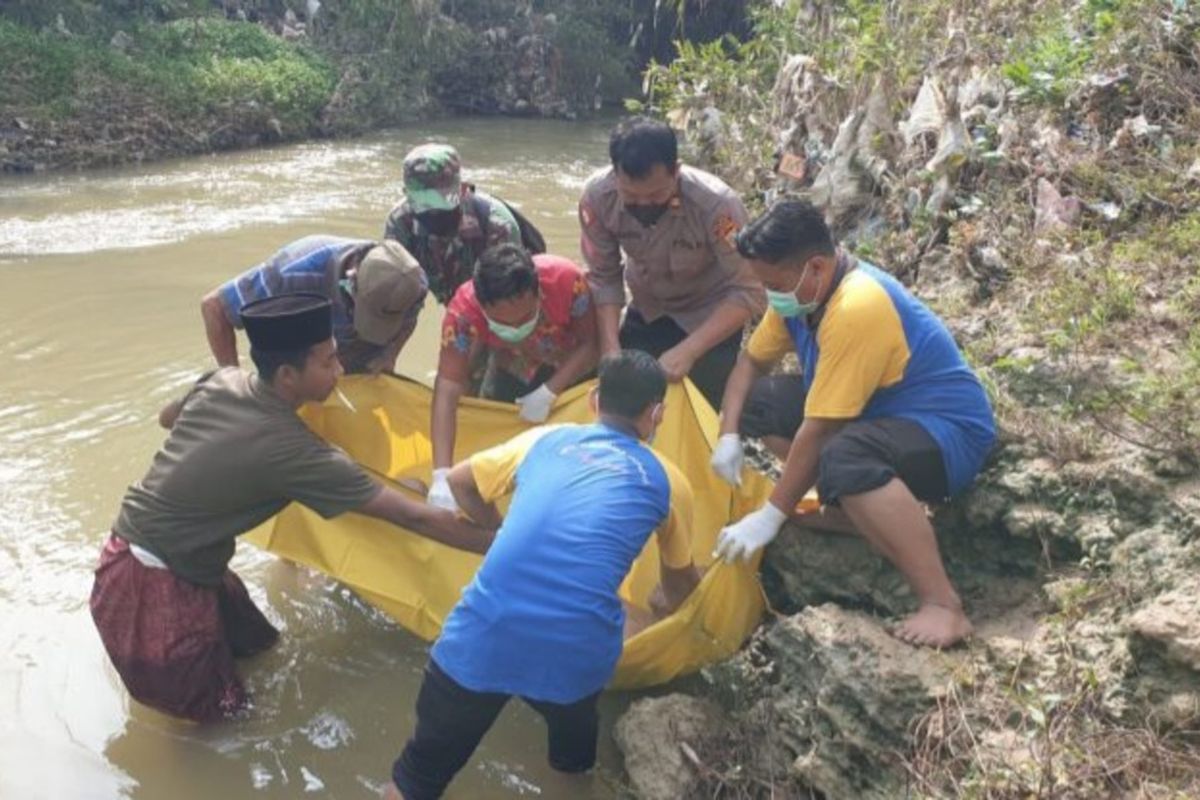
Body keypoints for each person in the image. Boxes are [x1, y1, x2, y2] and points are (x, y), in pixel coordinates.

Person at [90, 294, 494, 723]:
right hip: (149, 588)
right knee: (222, 722)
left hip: (158, 554)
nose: (340, 371)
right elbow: (414, 516)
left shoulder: (222, 380)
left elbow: (167, 418)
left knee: (260, 648)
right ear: (287, 375)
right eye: (327, 363)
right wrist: (503, 541)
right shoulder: (295, 453)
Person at [387, 351, 702, 800]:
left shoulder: (544, 440)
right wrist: (688, 597)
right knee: (573, 768)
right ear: (657, 414)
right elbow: (676, 587)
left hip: (480, 634)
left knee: (414, 779)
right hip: (573, 655)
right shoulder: (669, 481)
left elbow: (460, 482)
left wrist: (494, 527)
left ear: (594, 400)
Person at [711, 199, 996, 649]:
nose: (769, 296)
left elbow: (820, 430)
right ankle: (861, 512)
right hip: (876, 417)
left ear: (817, 268)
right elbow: (750, 363)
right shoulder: (799, 299)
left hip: (946, 434)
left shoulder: (856, 305)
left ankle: (943, 604)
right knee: (759, 404)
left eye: (773, 285)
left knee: (846, 457)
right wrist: (728, 434)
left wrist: (771, 515)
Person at [578, 116, 765, 409]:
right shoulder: (597, 198)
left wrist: (690, 350)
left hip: (709, 314)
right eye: (631, 196)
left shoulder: (717, 207)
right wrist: (610, 348)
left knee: (700, 409)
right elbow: (604, 276)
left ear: (676, 171)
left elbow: (750, 289)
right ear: (615, 175)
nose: (643, 205)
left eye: (655, 195)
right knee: (623, 403)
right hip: (648, 307)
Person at [426, 244, 598, 511]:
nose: (516, 326)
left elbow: (591, 344)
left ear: (538, 293)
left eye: (526, 317)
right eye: (502, 322)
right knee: (498, 429)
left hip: (572, 361)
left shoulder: (567, 281)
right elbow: (447, 386)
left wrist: (550, 391)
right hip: (514, 362)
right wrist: (441, 474)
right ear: (482, 308)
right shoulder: (462, 314)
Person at [201, 235, 426, 375]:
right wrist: (231, 383)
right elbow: (214, 308)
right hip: (299, 361)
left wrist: (390, 355)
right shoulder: (292, 273)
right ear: (351, 280)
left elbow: (409, 320)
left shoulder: (410, 281)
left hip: (356, 358)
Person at [384, 143, 523, 305]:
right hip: (450, 298)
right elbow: (395, 287)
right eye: (423, 204)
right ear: (407, 195)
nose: (433, 212)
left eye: (442, 202)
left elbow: (510, 298)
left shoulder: (496, 224)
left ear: (463, 190)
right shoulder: (401, 222)